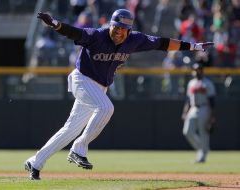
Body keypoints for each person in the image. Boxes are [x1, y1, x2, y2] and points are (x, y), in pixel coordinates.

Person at [24, 9, 214, 180]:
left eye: (123, 29)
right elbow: (74, 32)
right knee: (106, 107)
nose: (118, 32)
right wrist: (55, 24)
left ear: (129, 31)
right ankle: (78, 149)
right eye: (116, 27)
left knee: (70, 130)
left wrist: (194, 47)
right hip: (82, 80)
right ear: (111, 25)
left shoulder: (134, 40)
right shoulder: (96, 36)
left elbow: (162, 43)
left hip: (99, 87)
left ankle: (35, 162)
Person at [181, 63, 216, 163]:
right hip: (193, 108)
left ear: (202, 71)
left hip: (205, 107)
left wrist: (212, 116)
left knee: (203, 132)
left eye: (198, 70)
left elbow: (212, 100)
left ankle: (202, 156)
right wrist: (185, 112)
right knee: (187, 132)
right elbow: (188, 99)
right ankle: (203, 149)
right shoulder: (191, 83)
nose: (196, 71)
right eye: (195, 70)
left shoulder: (207, 83)